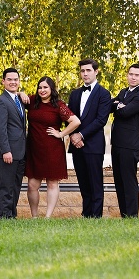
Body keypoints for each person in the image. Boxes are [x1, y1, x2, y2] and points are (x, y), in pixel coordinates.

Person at [25, 77, 81, 218]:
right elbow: (18, 96)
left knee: (52, 183)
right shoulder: (32, 102)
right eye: (40, 87)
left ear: (52, 89)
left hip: (52, 149)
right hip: (33, 149)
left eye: (45, 87)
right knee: (32, 185)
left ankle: (48, 217)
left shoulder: (58, 105)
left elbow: (75, 121)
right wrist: (20, 93)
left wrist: (61, 134)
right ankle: (35, 216)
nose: (42, 90)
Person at [67, 58, 111, 218]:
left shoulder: (104, 94)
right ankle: (86, 214)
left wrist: (81, 135)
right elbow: (69, 117)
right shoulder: (75, 94)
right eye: (82, 71)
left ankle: (96, 216)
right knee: (83, 182)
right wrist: (72, 135)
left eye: (88, 70)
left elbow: (101, 120)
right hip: (76, 144)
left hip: (93, 145)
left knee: (95, 182)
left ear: (96, 71)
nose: (85, 74)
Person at [110, 64, 139, 217]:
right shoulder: (124, 92)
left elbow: (125, 112)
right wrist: (119, 105)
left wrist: (119, 106)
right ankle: (124, 214)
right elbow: (110, 106)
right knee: (119, 181)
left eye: (136, 75)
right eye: (130, 74)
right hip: (117, 142)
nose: (133, 77)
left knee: (128, 180)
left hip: (130, 144)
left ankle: (132, 215)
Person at [0, 68, 27, 219]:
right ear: (3, 81)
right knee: (6, 187)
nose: (13, 82)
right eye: (9, 79)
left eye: (15, 80)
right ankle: (4, 217)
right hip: (7, 153)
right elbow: (1, 128)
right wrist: (6, 150)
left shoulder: (19, 100)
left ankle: (11, 215)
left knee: (15, 186)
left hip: (20, 151)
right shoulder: (1, 101)